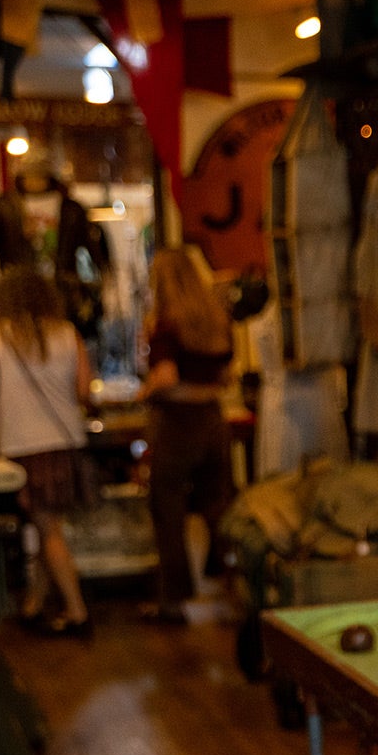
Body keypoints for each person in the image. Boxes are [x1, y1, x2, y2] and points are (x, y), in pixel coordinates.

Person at [0, 269, 93, 636]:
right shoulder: (67, 333)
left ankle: (77, 612)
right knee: (49, 528)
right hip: (65, 445)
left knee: (48, 531)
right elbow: (84, 392)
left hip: (22, 446)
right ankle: (34, 604)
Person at [142, 247, 237, 623]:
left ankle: (173, 600)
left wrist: (144, 391)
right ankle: (233, 586)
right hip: (213, 420)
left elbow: (166, 377)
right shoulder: (214, 318)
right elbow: (225, 376)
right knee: (219, 507)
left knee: (168, 510)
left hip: (177, 422)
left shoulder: (167, 323)